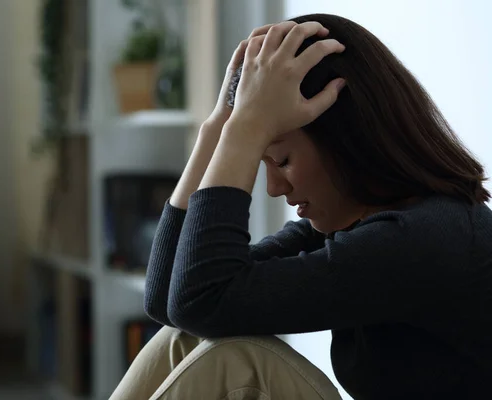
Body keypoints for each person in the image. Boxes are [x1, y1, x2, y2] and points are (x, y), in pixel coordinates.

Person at [110, 13, 492, 400]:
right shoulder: (355, 222)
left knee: (241, 360)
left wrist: (247, 129)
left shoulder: (423, 239)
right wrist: (220, 125)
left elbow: (200, 298)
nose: (274, 188)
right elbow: (168, 300)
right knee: (180, 340)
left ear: (348, 141)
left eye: (283, 161)